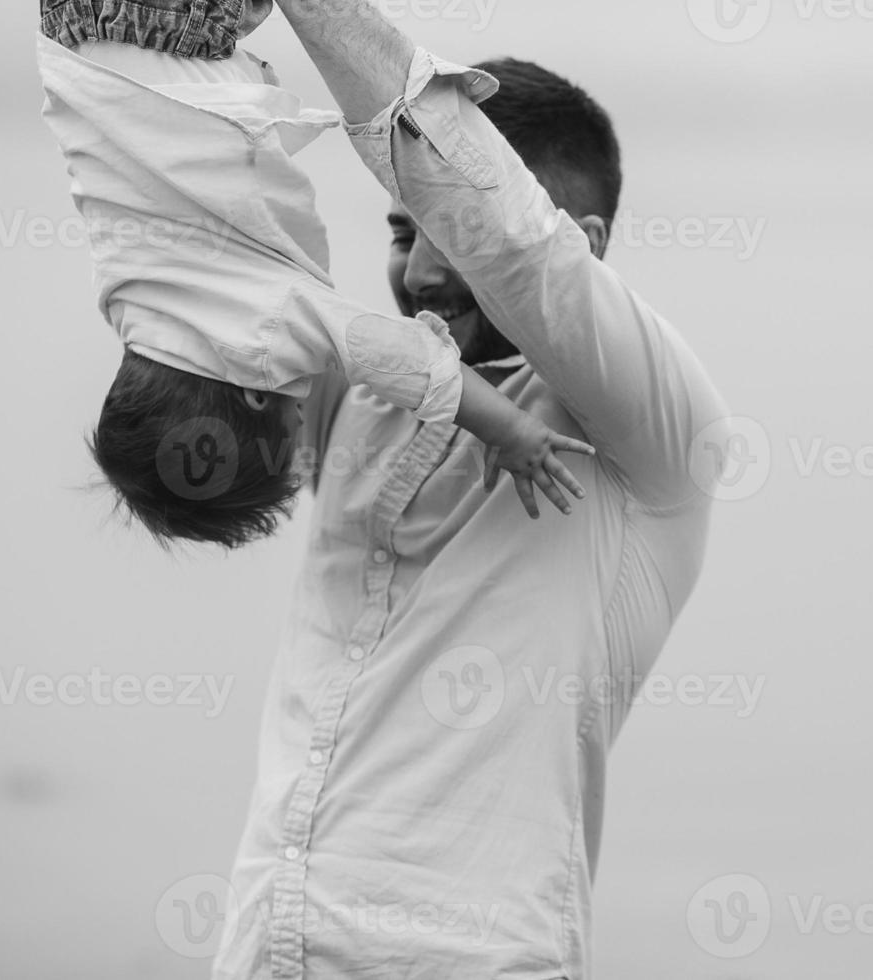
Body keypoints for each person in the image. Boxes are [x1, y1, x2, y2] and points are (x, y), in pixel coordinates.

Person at [206, 2, 734, 977]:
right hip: (268, 942)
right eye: (404, 231)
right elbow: (196, 392)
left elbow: (517, 251)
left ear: (585, 243)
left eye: (450, 233)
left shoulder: (657, 432)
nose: (423, 271)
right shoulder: (369, 375)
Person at [36, 1, 594, 548]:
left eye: (294, 413)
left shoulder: (264, 338)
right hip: (83, 40)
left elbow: (422, 369)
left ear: (259, 397)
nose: (304, 399)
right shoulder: (125, 302)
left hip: (177, 26)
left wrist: (512, 433)